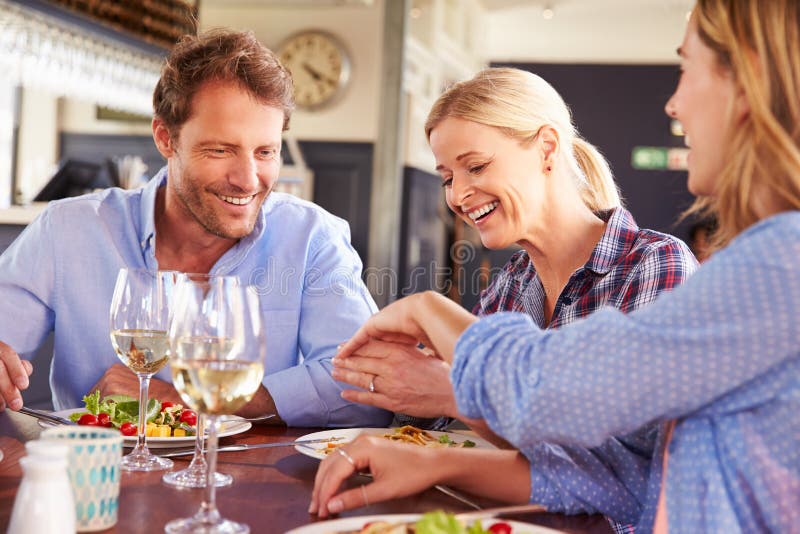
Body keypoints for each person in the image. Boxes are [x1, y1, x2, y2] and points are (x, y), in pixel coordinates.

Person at [310, 0, 800, 531]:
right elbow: (635, 476)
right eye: (448, 175)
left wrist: (434, 318)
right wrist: (438, 458)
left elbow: (560, 392)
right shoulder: (511, 285)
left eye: (685, 68)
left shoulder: (776, 265)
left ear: (746, 78)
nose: (674, 104)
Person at [329, 68, 697, 532]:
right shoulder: (511, 285)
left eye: (476, 167)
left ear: (546, 148)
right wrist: (400, 377)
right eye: (446, 177)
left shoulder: (655, 265)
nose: (459, 195)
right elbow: (495, 440)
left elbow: (628, 470)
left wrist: (454, 392)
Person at [0, 29, 392, 429]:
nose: (248, 179)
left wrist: (191, 400)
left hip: (253, 486)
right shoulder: (69, 230)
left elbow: (367, 392)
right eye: (221, 150)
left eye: (265, 152)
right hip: (97, 478)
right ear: (165, 138)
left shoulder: (313, 239)